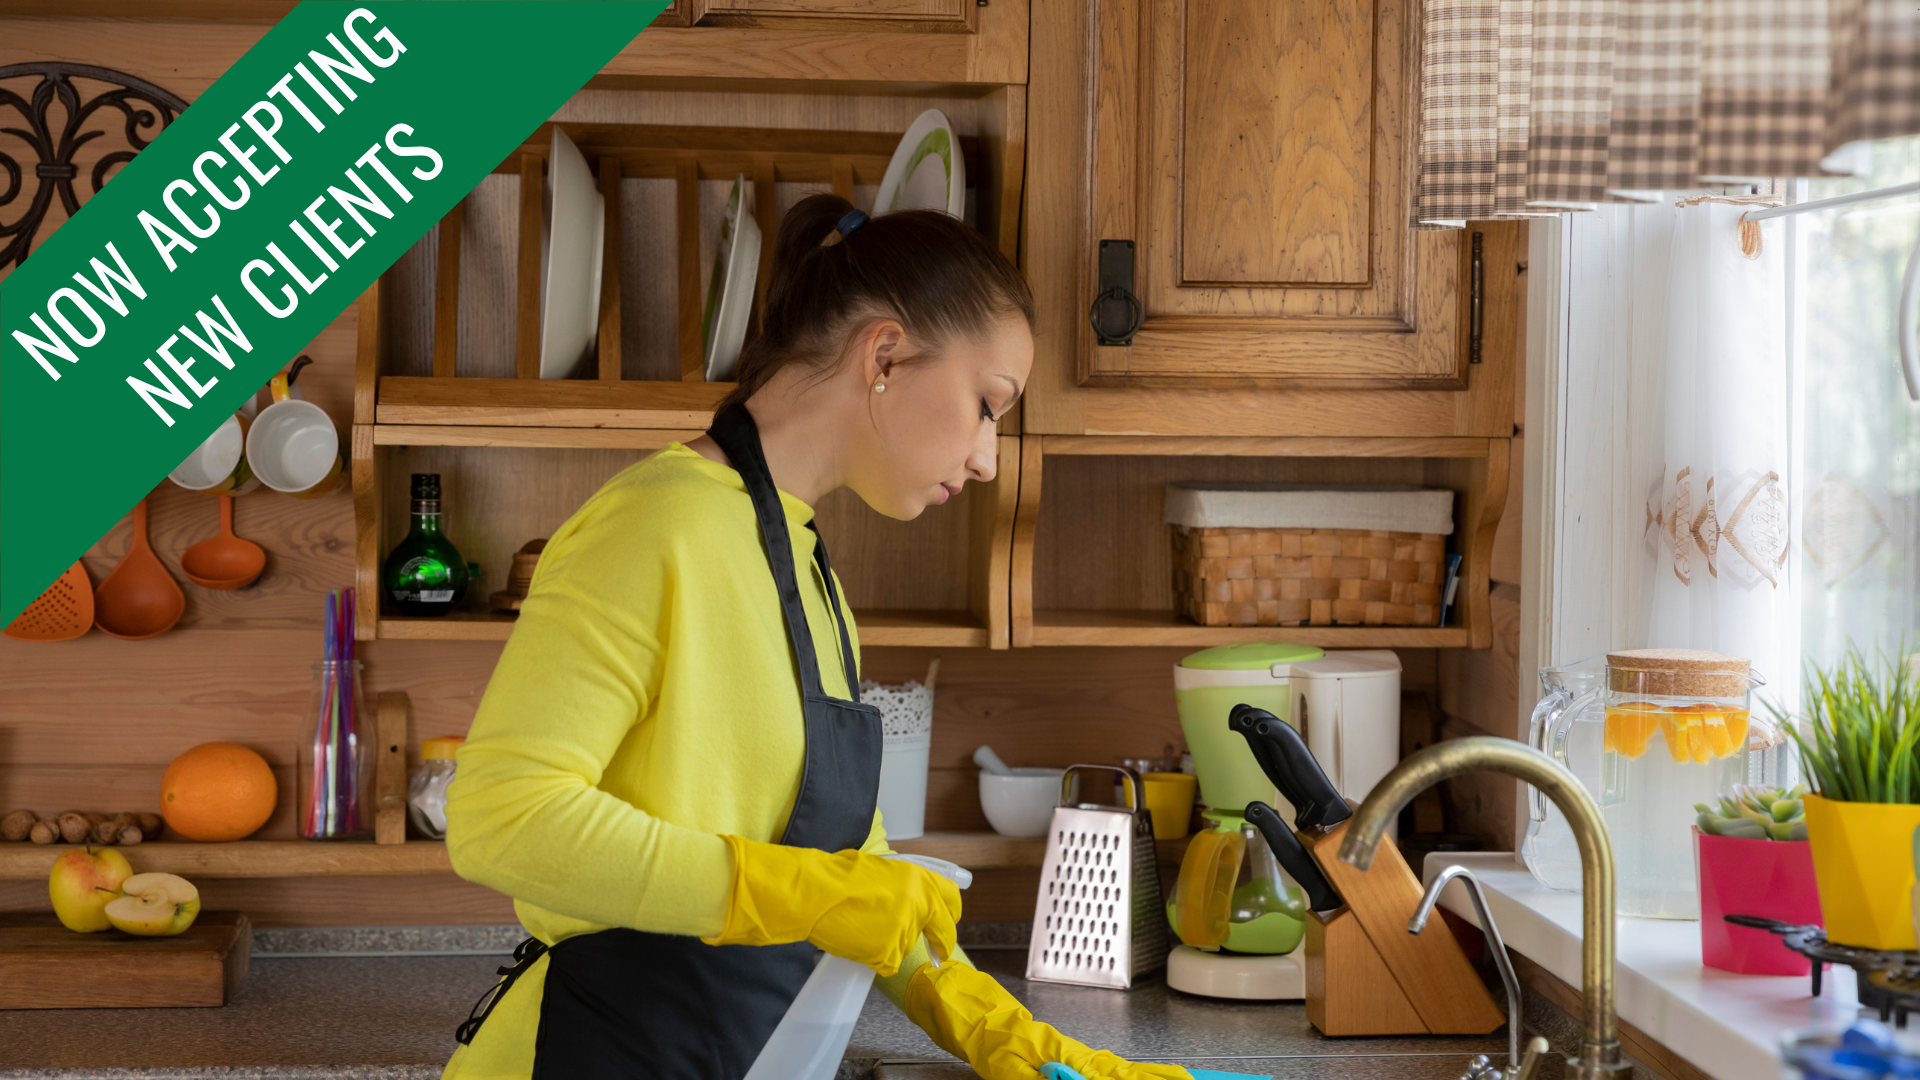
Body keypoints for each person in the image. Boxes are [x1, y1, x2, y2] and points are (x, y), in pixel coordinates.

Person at [438, 193, 1190, 1080]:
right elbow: (500, 820)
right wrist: (801, 892)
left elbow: (849, 873)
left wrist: (1020, 1044)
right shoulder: (655, 527)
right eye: (989, 405)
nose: (989, 456)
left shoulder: (805, 568)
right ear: (884, 353)